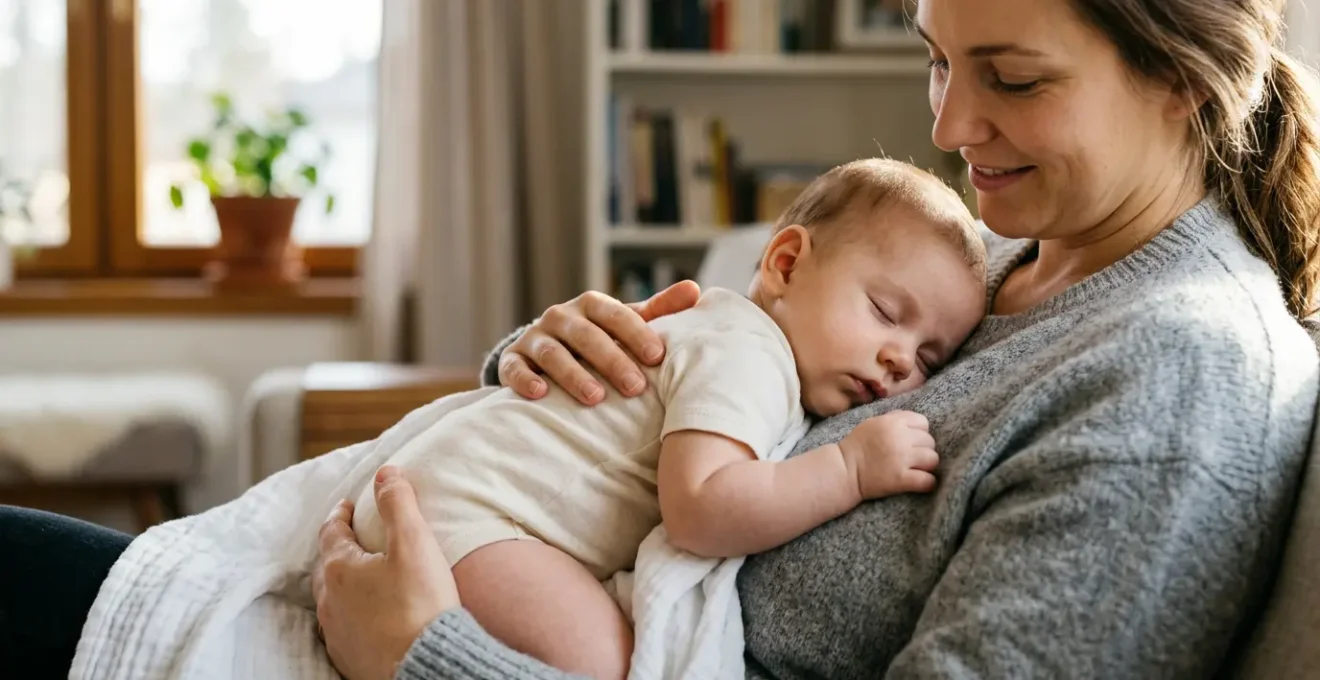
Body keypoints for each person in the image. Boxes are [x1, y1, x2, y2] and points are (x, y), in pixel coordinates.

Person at [1, 0, 1318, 678]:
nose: (947, 126)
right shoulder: (990, 265)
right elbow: (713, 401)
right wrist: (556, 362)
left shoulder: (1175, 385)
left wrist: (429, 657)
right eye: (936, 58)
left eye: (1012, 78)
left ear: (1183, 78)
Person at [346, 159, 986, 679]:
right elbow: (702, 506)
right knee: (603, 661)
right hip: (470, 517)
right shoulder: (749, 355)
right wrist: (848, 469)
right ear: (786, 264)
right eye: (884, 312)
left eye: (929, 357)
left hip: (448, 498)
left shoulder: (734, 338)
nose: (900, 359)